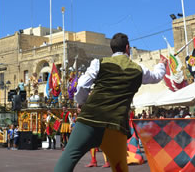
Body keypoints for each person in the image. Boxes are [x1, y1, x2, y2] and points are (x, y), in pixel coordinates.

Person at [54, 33, 165, 172]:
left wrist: (82, 103)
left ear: (112, 49)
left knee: (68, 159)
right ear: (127, 47)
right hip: (115, 125)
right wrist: (161, 65)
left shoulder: (98, 64)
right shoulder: (138, 69)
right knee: (120, 168)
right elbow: (157, 77)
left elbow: (82, 85)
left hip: (89, 120)